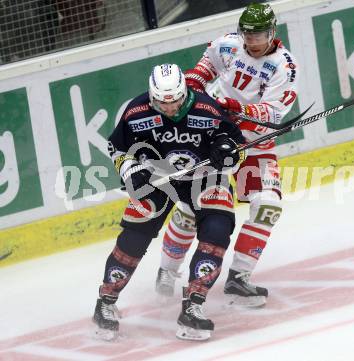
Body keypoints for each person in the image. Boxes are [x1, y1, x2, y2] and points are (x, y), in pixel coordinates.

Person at [155, 3, 299, 307]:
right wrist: (194, 88)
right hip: (213, 138)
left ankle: (238, 278)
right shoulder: (228, 45)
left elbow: (271, 115)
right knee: (192, 209)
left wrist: (239, 109)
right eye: (248, 33)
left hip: (253, 143)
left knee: (268, 205)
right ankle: (167, 271)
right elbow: (203, 69)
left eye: (259, 34)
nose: (253, 40)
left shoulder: (285, 66)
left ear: (272, 31)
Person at [93, 63, 245, 341]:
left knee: (218, 228)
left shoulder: (207, 108)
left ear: (184, 91)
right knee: (135, 234)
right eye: (162, 102)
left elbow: (237, 145)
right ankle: (106, 301)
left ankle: (194, 306)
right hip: (157, 178)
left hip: (204, 176)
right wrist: (130, 170)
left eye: (175, 100)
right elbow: (117, 147)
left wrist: (228, 153)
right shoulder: (136, 111)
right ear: (152, 96)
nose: (170, 107)